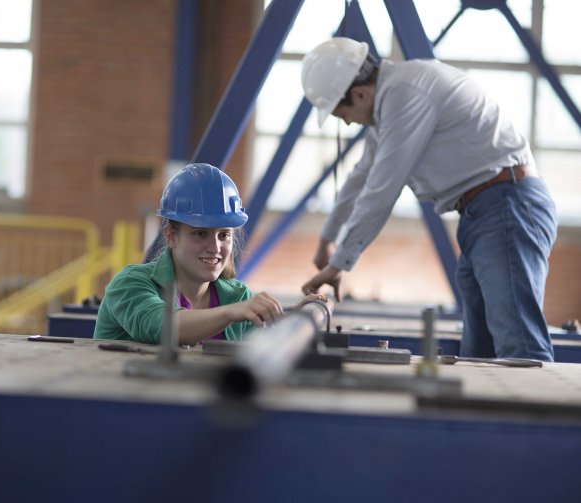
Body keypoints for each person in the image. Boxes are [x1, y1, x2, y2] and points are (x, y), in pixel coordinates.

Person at [299, 37, 557, 361]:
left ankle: (537, 412)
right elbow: (359, 179)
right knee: (479, 352)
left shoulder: (406, 93)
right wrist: (327, 239)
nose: (349, 122)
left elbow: (381, 189)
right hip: (484, 212)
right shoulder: (390, 108)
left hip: (506, 206)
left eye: (343, 114)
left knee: (520, 347)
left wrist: (340, 264)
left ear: (360, 93)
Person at [94, 163, 327, 345]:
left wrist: (289, 319)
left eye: (224, 235)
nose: (215, 248)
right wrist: (232, 313)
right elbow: (165, 326)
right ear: (170, 235)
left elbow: (265, 346)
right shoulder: (129, 284)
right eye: (200, 234)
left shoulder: (237, 296)